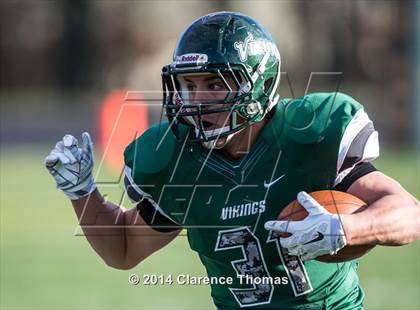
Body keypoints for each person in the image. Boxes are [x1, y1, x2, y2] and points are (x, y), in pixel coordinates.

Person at [45, 12, 419, 310]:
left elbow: (409, 213)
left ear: (257, 84)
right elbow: (123, 249)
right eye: (189, 86)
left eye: (214, 84)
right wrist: (82, 192)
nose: (198, 100)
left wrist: (346, 229)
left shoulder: (309, 136)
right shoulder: (178, 158)